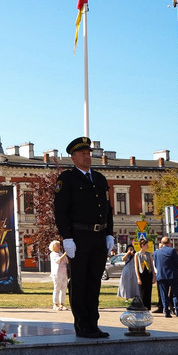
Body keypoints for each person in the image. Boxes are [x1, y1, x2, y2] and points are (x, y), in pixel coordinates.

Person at [54, 137, 114, 339]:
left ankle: (93, 324)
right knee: (79, 282)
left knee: (94, 282)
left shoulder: (99, 178)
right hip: (79, 236)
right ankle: (82, 325)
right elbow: (60, 211)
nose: (87, 157)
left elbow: (108, 210)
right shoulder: (67, 179)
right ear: (73, 158)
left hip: (99, 237)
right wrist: (67, 237)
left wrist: (109, 233)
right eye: (83, 154)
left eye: (88, 153)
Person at [153, 236, 178, 318]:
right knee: (175, 293)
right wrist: (175, 270)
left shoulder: (156, 253)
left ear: (161, 243)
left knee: (163, 294)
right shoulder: (172, 250)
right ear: (169, 243)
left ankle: (166, 311)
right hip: (172, 275)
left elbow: (156, 265)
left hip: (161, 275)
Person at [134, 238, 155, 311]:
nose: (148, 246)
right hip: (141, 274)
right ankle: (142, 307)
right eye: (146, 245)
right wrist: (138, 278)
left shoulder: (149, 254)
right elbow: (136, 267)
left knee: (148, 291)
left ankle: (148, 308)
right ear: (142, 245)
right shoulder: (137, 254)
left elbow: (152, 266)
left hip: (148, 274)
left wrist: (154, 277)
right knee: (142, 292)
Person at [49, 240, 69, 311]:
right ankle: (55, 304)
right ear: (53, 246)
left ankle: (62, 304)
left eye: (59, 245)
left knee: (63, 289)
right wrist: (65, 254)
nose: (58, 246)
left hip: (64, 273)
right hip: (57, 274)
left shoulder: (61, 253)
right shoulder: (53, 254)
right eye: (57, 245)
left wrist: (65, 255)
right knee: (57, 289)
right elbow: (58, 261)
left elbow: (66, 261)